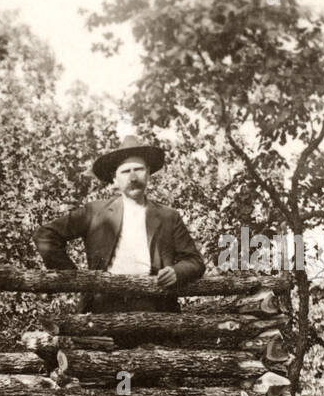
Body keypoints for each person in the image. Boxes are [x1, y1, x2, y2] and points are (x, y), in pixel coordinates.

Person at [34, 134, 203, 314]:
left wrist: (177, 271)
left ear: (148, 173)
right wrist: (74, 278)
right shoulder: (95, 212)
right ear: (114, 180)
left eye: (138, 169)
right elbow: (46, 235)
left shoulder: (169, 216)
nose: (132, 177)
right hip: (104, 306)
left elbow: (195, 261)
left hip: (154, 305)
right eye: (125, 171)